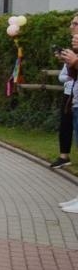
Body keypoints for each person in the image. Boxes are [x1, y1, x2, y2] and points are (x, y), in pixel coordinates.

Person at [52, 12, 78, 170]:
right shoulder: (73, 48)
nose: (71, 27)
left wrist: (74, 61)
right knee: (66, 126)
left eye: (75, 24)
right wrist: (70, 62)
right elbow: (68, 75)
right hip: (73, 98)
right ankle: (64, 156)